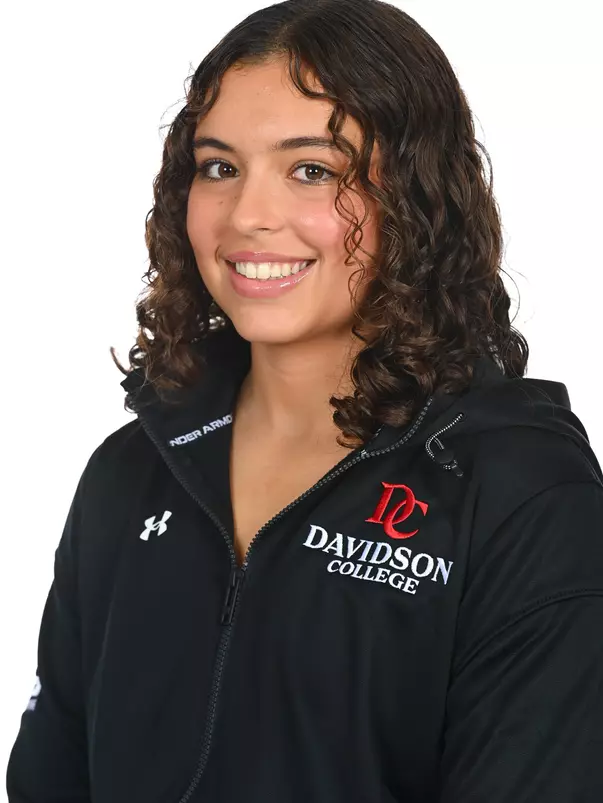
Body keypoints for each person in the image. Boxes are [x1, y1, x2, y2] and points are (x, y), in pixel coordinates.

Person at [6, 0, 603, 800]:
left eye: (312, 170)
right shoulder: (130, 471)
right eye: (218, 167)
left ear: (418, 198)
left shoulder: (521, 497)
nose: (248, 216)